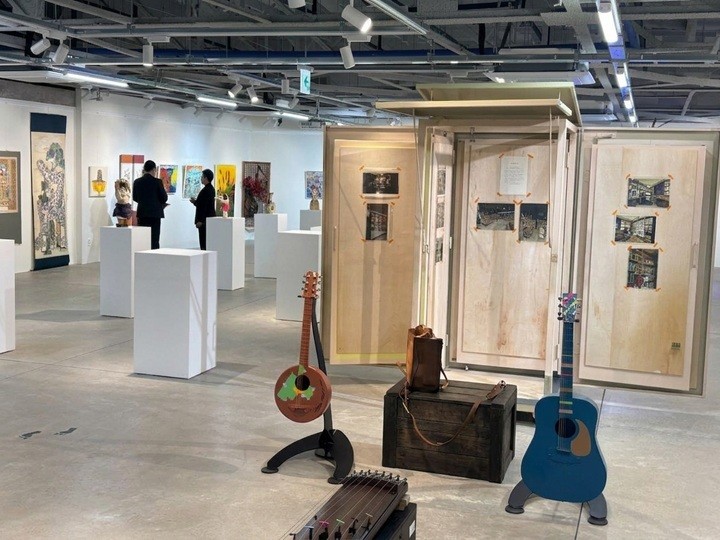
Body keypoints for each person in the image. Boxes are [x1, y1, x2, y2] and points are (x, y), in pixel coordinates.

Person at [133, 160, 167, 249]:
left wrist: (144, 202)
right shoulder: (157, 182)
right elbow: (164, 198)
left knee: (143, 238)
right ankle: (154, 256)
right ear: (154, 169)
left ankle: (143, 255)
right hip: (155, 214)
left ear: (144, 169)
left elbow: (135, 197)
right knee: (154, 239)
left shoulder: (137, 182)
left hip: (142, 213)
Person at [190, 169, 216, 250]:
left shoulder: (206, 190)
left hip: (204, 221)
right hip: (207, 220)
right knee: (206, 243)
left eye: (202, 177)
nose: (201, 178)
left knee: (204, 243)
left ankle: (205, 257)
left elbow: (204, 207)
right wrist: (195, 202)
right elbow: (202, 204)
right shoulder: (210, 189)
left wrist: (201, 221)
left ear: (206, 178)